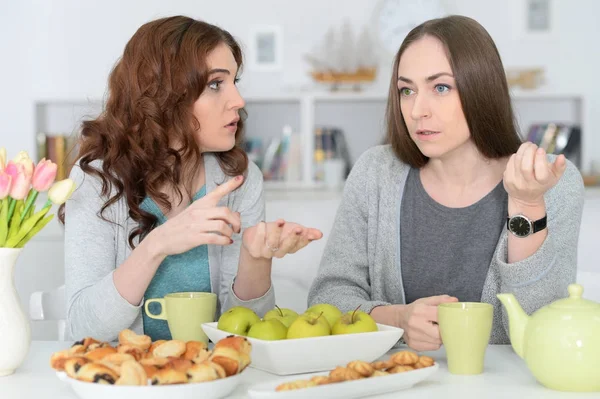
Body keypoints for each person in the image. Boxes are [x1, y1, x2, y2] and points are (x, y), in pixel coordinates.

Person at [307, 15, 584, 351]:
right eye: (406, 90)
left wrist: (527, 206)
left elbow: (543, 331)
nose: (417, 110)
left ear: (481, 88)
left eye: (440, 87)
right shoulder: (375, 173)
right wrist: (398, 319)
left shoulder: (553, 182)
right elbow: (327, 298)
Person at [62, 15, 323, 342]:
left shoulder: (239, 180)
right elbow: (84, 329)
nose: (238, 101)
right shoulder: (97, 180)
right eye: (216, 84)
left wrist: (256, 259)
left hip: (209, 378)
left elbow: (244, 332)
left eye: (234, 82)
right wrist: (158, 244)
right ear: (164, 95)